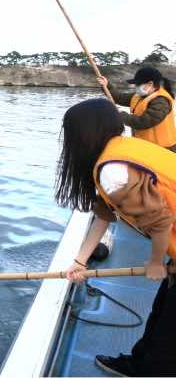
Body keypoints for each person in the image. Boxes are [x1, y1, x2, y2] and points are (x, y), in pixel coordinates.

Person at [55, 98, 176, 376]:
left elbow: (161, 223)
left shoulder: (112, 170)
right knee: (163, 309)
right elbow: (106, 214)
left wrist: (157, 262)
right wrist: (80, 262)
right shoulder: (122, 150)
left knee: (171, 325)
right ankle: (139, 364)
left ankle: (152, 370)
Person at [97, 66, 176, 152]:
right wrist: (107, 85)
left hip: (163, 149)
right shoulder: (138, 96)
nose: (136, 86)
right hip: (144, 146)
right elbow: (118, 97)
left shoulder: (161, 101)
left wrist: (121, 116)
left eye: (138, 84)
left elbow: (144, 122)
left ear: (150, 84)